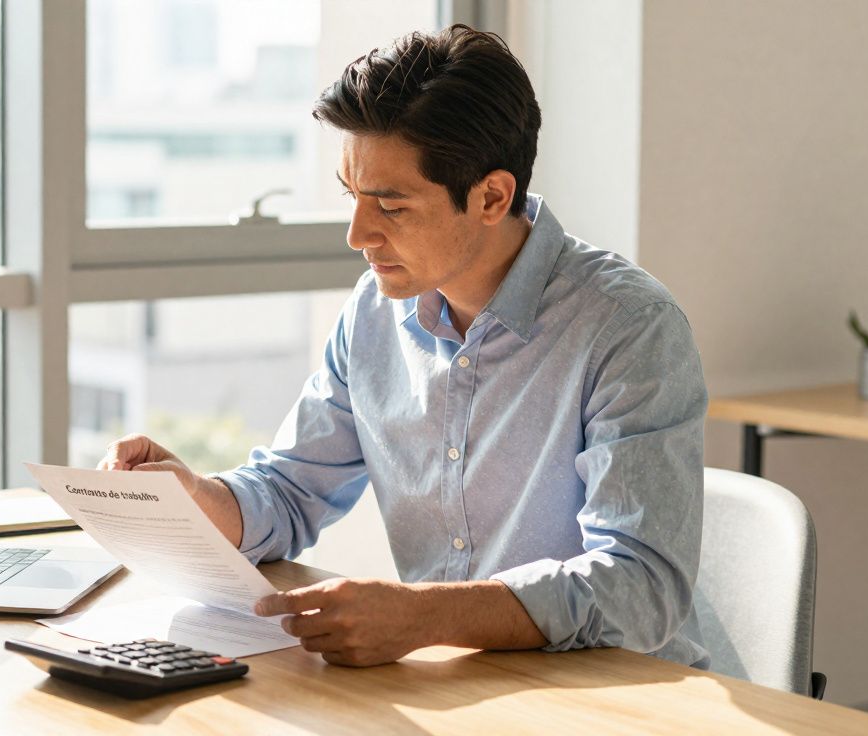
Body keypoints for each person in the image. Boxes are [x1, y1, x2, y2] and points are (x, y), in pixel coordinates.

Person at [99, 24, 708, 669]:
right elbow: (288, 491)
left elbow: (640, 588)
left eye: (391, 207)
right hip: (458, 685)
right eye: (352, 196)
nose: (357, 235)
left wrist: (426, 616)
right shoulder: (374, 311)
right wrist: (196, 498)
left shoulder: (629, 327)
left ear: (491, 197)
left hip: (620, 694)